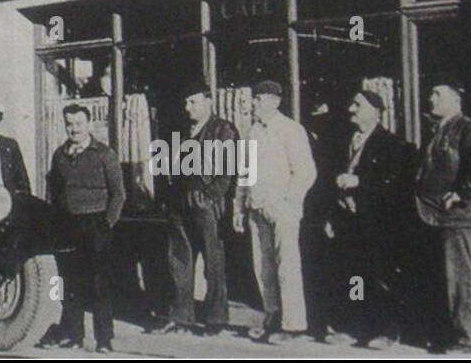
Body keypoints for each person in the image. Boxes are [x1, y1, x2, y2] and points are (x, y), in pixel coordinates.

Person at [323, 88, 413, 349]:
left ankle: (386, 330)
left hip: (377, 222)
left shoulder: (391, 144)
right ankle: (353, 326)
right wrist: (332, 216)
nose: (351, 110)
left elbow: (394, 183)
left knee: (379, 277)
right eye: (352, 105)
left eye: (357, 105)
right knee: (353, 276)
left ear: (376, 111)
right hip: (347, 222)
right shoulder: (345, 141)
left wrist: (359, 181)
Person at [234, 79, 316, 344]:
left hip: (281, 208)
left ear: (274, 101)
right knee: (263, 267)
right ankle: (272, 317)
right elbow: (244, 172)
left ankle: (293, 325)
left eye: (258, 99)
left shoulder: (291, 130)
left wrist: (289, 201)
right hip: (256, 207)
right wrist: (239, 206)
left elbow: (306, 171)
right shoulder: (253, 132)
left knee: (287, 267)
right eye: (253, 99)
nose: (253, 104)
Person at [414, 76, 471, 352]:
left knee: (460, 281)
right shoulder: (438, 129)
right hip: (433, 217)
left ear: (455, 100)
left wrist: (461, 194)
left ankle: (470, 341)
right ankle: (449, 335)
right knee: (445, 279)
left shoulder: (469, 128)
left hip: (455, 217)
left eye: (437, 94)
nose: (431, 98)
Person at [154, 80, 239, 336]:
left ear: (208, 101)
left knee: (213, 261)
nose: (187, 107)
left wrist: (210, 196)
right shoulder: (181, 130)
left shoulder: (223, 130)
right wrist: (169, 197)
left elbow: (228, 171)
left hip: (207, 205)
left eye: (193, 101)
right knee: (179, 259)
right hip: (180, 203)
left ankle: (216, 320)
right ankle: (181, 317)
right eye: (186, 102)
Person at [39, 103, 124, 353]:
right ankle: (73, 335)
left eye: (78, 124)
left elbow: (119, 194)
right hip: (66, 225)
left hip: (95, 224)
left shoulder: (104, 154)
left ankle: (104, 339)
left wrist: (106, 224)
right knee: (68, 284)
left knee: (99, 284)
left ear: (88, 125)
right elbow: (52, 190)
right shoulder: (59, 155)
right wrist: (54, 220)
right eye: (69, 124)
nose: (74, 129)